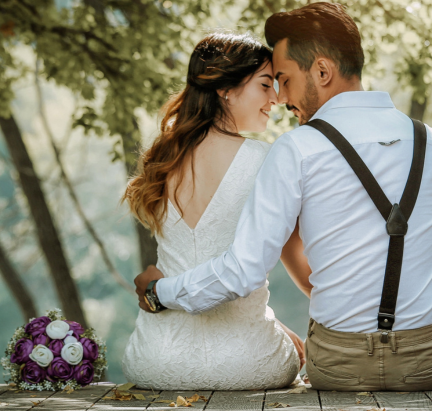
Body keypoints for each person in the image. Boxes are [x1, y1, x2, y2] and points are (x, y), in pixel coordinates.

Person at [135, 3, 432, 391]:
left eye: (284, 79)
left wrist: (160, 291)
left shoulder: (295, 150)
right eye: (270, 82)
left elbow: (243, 270)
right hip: (431, 364)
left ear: (322, 72)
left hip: (335, 367)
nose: (281, 97)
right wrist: (415, 272)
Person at [121, 33, 303, 390]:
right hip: (249, 364)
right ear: (226, 89)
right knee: (298, 353)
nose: (277, 98)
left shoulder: (161, 160)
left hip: (155, 361)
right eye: (266, 85)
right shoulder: (266, 159)